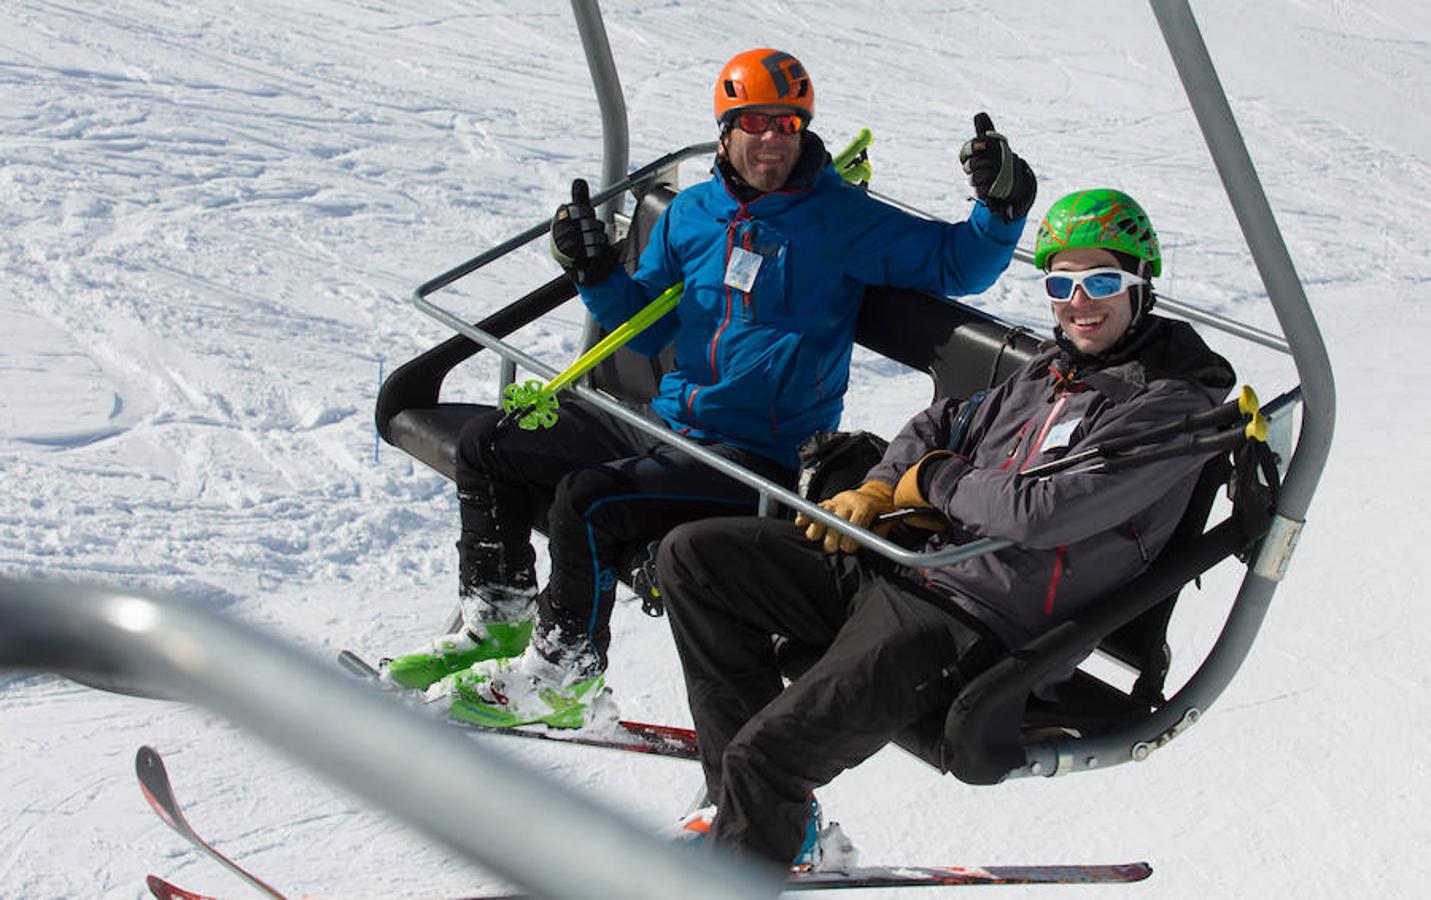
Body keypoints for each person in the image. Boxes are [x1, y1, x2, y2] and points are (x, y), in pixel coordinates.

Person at [383, 48, 1038, 730]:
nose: (770, 139)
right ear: (725, 130)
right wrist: (591, 269)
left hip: (752, 456)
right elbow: (642, 323)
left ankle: (565, 673)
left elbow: (956, 262)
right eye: (753, 122)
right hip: (666, 420)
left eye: (786, 124)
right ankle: (494, 622)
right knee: (493, 443)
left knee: (589, 502)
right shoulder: (694, 213)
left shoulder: (841, 220)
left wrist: (1001, 205)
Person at [656, 188, 1237, 871]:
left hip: (977, 625)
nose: (1079, 301)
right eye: (1060, 281)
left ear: (1142, 285)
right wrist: (879, 486)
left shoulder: (1169, 408)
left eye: (1101, 280)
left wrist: (933, 483)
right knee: (697, 558)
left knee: (768, 755)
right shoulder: (1051, 373)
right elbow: (940, 426)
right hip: (912, 569)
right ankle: (756, 821)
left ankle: (746, 852)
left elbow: (1045, 512)